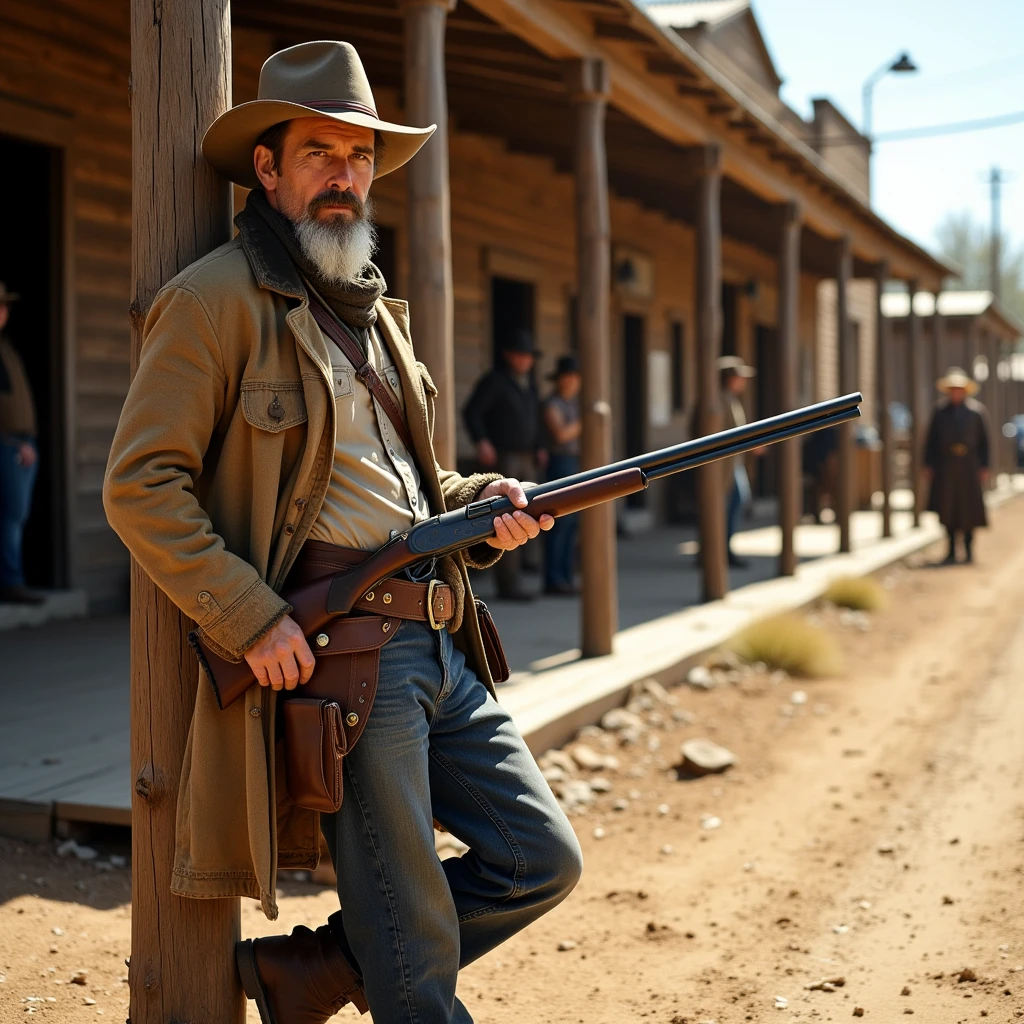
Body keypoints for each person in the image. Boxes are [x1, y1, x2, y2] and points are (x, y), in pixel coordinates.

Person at [103, 41, 581, 1024]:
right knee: (418, 971)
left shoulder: (373, 314)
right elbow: (139, 484)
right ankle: (358, 968)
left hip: (441, 639)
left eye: (360, 156)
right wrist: (247, 617)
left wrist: (482, 502)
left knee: (540, 858)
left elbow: (408, 487)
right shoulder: (212, 302)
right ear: (267, 168)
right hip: (346, 658)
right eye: (320, 151)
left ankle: (317, 970)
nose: (346, 174)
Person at [462, 330, 545, 601]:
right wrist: (481, 440)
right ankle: (508, 584)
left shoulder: (529, 386)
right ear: (509, 356)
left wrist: (539, 445)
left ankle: (524, 572)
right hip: (504, 455)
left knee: (529, 515)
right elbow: (471, 411)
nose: (524, 361)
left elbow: (535, 419)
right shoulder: (495, 381)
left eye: (528, 357)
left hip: (526, 455)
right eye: (520, 355)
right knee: (507, 516)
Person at [0, 282, 43, 605]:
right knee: (11, 514)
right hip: (10, 444)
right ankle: (11, 582)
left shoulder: (6, 346)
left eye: (5, 305)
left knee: (16, 514)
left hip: (19, 443)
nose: (4, 311)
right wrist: (15, 441)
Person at [923, 366, 991, 564]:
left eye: (959, 389)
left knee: (969, 507)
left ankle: (969, 549)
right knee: (948, 506)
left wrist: (984, 466)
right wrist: (928, 464)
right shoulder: (939, 412)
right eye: (952, 389)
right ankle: (951, 549)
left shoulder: (976, 412)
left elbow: (985, 442)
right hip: (946, 464)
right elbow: (931, 441)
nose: (956, 392)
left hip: (969, 465)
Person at [541, 354, 581, 594]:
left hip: (573, 461)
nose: (571, 382)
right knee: (558, 522)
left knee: (571, 523)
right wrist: (586, 420)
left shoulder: (574, 404)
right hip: (559, 462)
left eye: (574, 377)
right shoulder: (553, 404)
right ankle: (554, 578)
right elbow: (561, 434)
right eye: (567, 377)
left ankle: (566, 575)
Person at [717, 355, 758, 569]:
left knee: (736, 504)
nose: (744, 381)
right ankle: (719, 550)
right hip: (724, 466)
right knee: (727, 506)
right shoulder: (719, 400)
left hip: (733, 463)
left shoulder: (730, 399)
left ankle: (724, 548)